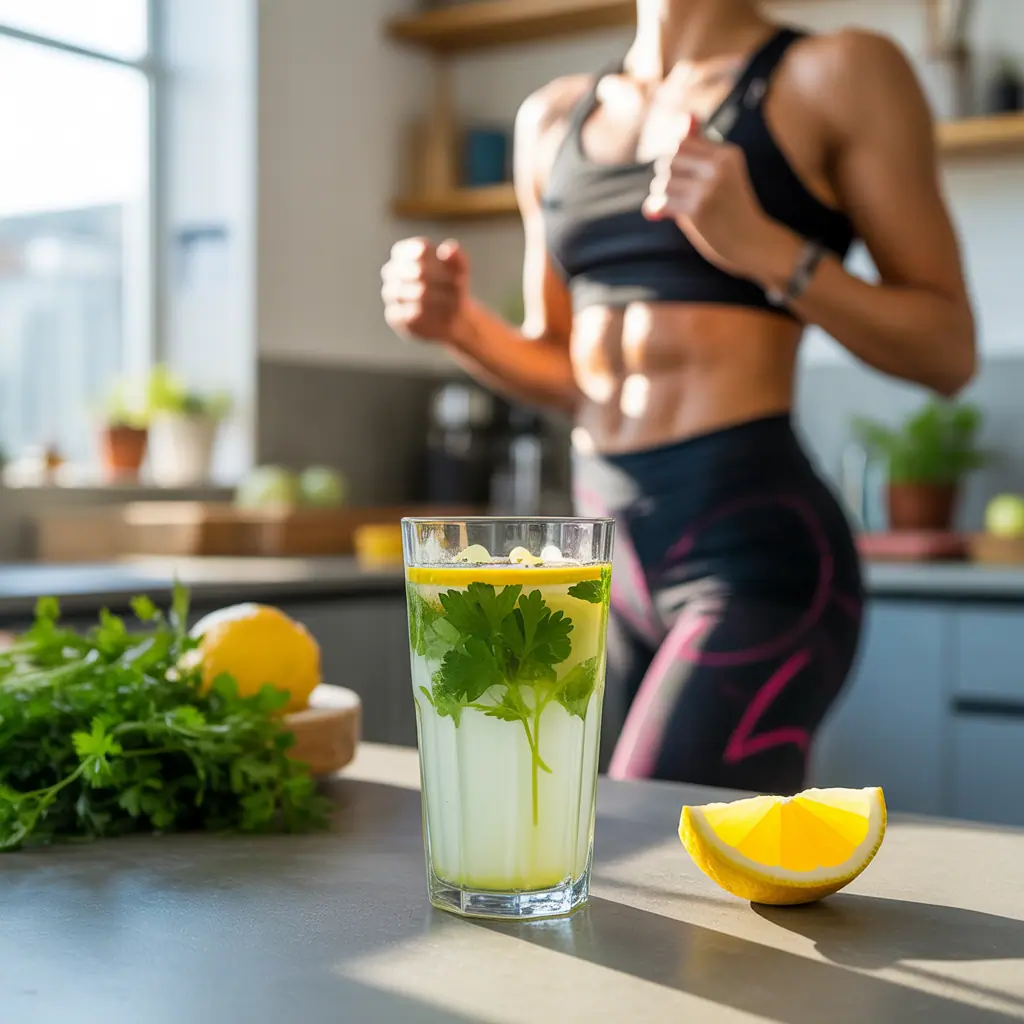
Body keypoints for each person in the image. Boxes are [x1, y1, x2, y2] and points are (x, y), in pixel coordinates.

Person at [381, 0, 976, 794]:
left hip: (756, 552)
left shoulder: (836, 74)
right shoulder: (553, 116)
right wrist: (458, 327)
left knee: (641, 834)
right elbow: (566, 370)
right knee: (652, 871)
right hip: (603, 561)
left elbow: (948, 349)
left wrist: (763, 247)